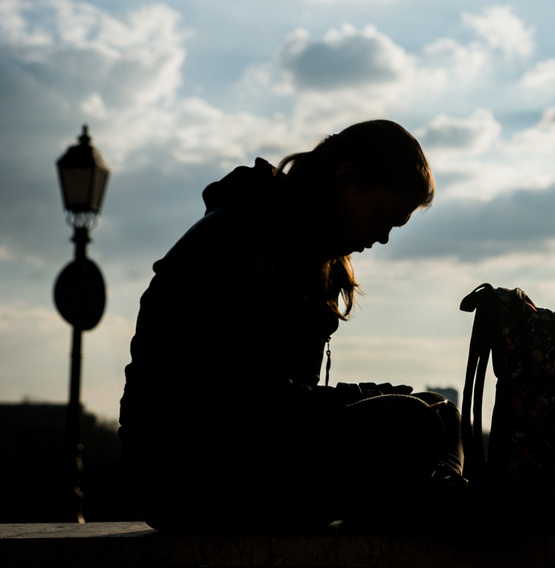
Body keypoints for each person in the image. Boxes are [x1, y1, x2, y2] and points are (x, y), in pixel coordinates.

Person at [119, 120, 463, 534]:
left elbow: (281, 405)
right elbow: (247, 401)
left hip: (252, 449)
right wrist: (363, 399)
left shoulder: (310, 254)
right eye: (383, 216)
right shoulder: (244, 237)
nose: (384, 238)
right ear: (345, 177)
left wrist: (366, 397)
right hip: (189, 474)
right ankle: (437, 503)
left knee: (442, 413)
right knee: (415, 423)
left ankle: (437, 496)